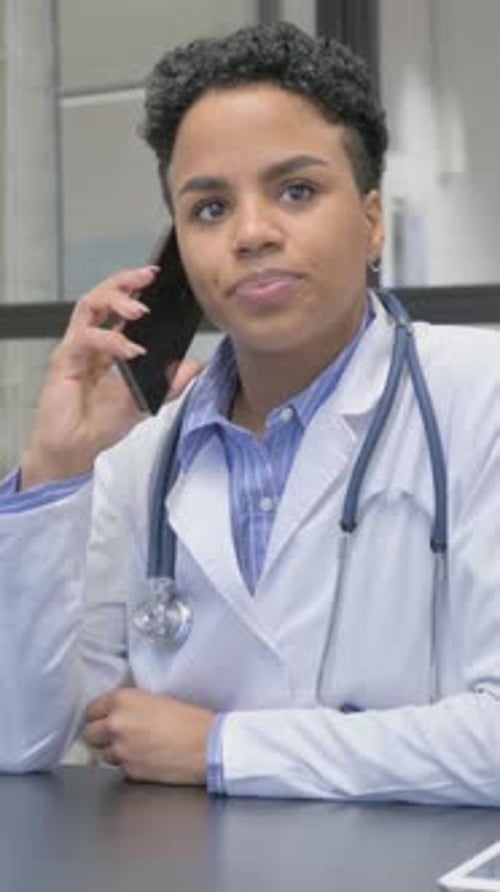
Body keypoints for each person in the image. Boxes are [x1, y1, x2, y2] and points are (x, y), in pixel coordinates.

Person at [1, 21, 500, 804]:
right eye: (208, 208)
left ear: (372, 220)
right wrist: (56, 468)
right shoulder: (142, 456)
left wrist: (222, 747)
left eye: (296, 190)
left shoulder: (480, 398)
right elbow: (18, 738)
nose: (253, 234)